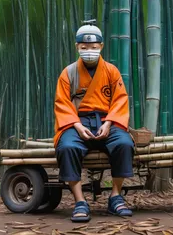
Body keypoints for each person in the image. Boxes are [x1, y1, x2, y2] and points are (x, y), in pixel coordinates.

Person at [53, 22, 135, 223]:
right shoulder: (68, 73)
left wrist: (109, 123)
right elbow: (62, 102)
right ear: (77, 47)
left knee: (124, 143)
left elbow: (120, 99)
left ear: (101, 46)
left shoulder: (111, 71)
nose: (89, 51)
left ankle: (115, 195)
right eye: (84, 47)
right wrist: (77, 125)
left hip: (107, 120)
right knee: (67, 147)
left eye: (93, 47)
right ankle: (80, 201)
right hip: (76, 122)